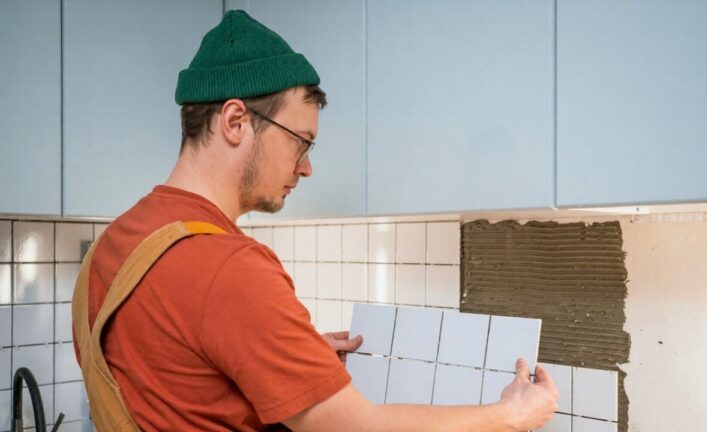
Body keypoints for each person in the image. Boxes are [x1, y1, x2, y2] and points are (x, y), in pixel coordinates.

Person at [73, 9, 558, 431]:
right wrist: (508, 417)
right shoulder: (230, 268)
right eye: (300, 141)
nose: (306, 167)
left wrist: (284, 363)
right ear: (235, 122)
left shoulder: (113, 246)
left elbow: (183, 383)